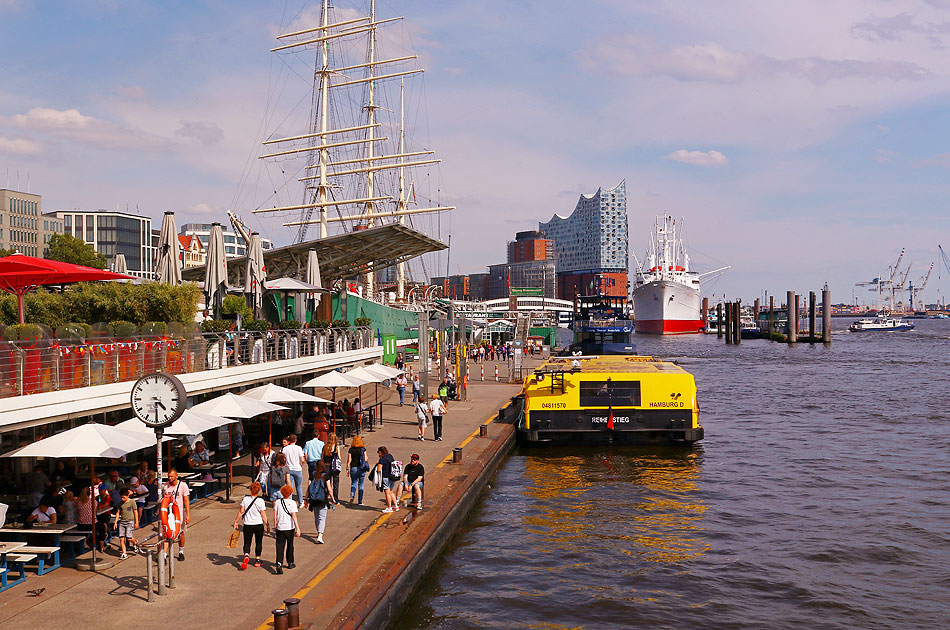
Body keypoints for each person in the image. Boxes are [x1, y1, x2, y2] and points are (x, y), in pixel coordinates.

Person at [233, 481, 268, 570]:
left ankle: (246, 555)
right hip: (258, 524)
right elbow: (263, 514)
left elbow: (241, 511)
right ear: (258, 490)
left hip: (248, 524)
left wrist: (236, 521)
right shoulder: (260, 501)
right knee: (258, 542)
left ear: (250, 490)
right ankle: (257, 560)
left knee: (247, 541)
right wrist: (267, 524)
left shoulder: (245, 499)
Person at [163, 469, 191, 561]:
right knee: (166, 533)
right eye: (169, 477)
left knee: (180, 532)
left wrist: (188, 514)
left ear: (176, 476)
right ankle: (164, 554)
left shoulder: (183, 486)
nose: (170, 478)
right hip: (168, 513)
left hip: (179, 513)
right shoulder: (165, 486)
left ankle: (181, 551)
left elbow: (186, 501)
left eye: (171, 476)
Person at [272, 484, 300, 574]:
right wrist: (298, 528)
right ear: (290, 493)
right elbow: (294, 516)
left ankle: (279, 562)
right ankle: (290, 562)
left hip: (280, 527)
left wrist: (275, 524)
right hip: (289, 527)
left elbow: (275, 515)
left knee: (280, 546)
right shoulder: (292, 503)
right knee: (290, 545)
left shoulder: (277, 502)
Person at [306, 460, 332, 544]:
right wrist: (333, 499)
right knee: (322, 518)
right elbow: (329, 489)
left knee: (316, 517)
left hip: (313, 500)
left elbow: (308, 488)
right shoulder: (325, 476)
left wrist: (306, 499)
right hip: (322, 499)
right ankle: (320, 535)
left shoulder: (312, 475)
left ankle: (318, 532)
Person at [112, 487, 139, 560]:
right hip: (122, 522)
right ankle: (124, 553)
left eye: (123, 497)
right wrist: (115, 522)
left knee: (129, 538)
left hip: (130, 521)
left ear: (127, 496)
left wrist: (136, 522)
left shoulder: (132, 502)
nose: (122, 499)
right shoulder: (120, 504)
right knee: (121, 538)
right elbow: (118, 513)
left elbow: (135, 512)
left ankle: (135, 542)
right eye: (121, 498)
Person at [281, 434, 306, 504]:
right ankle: (300, 502)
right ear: (296, 440)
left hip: (288, 469)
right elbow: (303, 460)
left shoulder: (285, 449)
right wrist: (300, 465)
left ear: (289, 441)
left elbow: (283, 459)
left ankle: (290, 502)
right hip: (298, 469)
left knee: (289, 486)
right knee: (299, 487)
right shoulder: (299, 448)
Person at [346, 435, 368, 505]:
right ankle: (360, 501)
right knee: (361, 484)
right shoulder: (363, 449)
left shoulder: (351, 450)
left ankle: (352, 496)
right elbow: (366, 458)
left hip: (353, 468)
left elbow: (349, 460)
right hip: (361, 468)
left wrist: (347, 468)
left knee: (353, 483)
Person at [375, 446, 398, 513]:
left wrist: (379, 464)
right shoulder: (390, 456)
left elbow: (379, 469)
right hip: (392, 476)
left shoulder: (382, 459)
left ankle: (389, 507)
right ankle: (396, 506)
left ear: (380, 452)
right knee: (391, 491)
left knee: (387, 493)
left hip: (386, 477)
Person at [322, 434, 342, 506]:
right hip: (334, 467)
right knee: (335, 484)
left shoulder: (325, 446)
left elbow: (322, 457)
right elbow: (339, 457)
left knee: (327, 483)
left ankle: (325, 498)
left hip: (326, 466)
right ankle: (336, 499)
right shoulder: (336, 447)